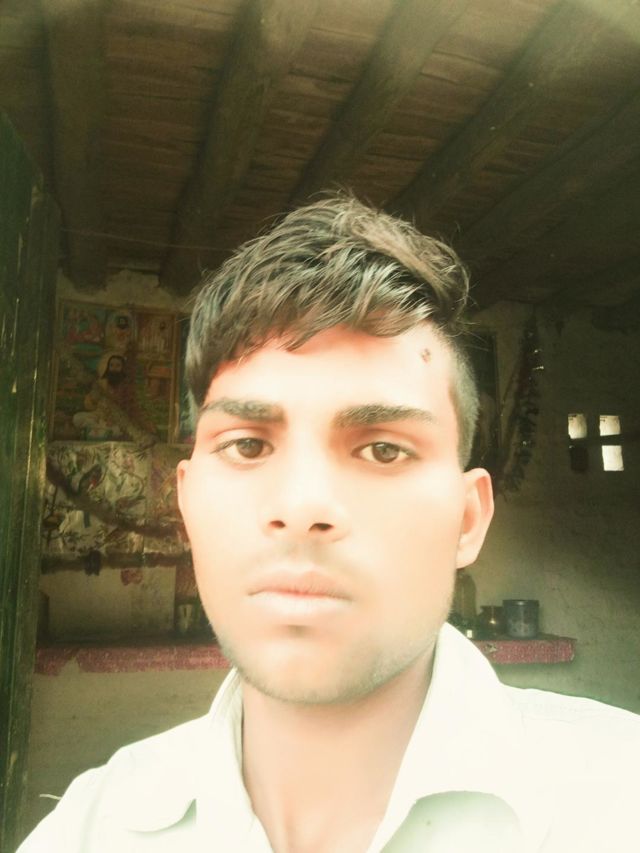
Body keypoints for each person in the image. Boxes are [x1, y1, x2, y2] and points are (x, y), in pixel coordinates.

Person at [19, 195, 640, 852]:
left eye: (383, 450)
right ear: (187, 503)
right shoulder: (90, 828)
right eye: (247, 445)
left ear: (467, 519)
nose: (303, 505)